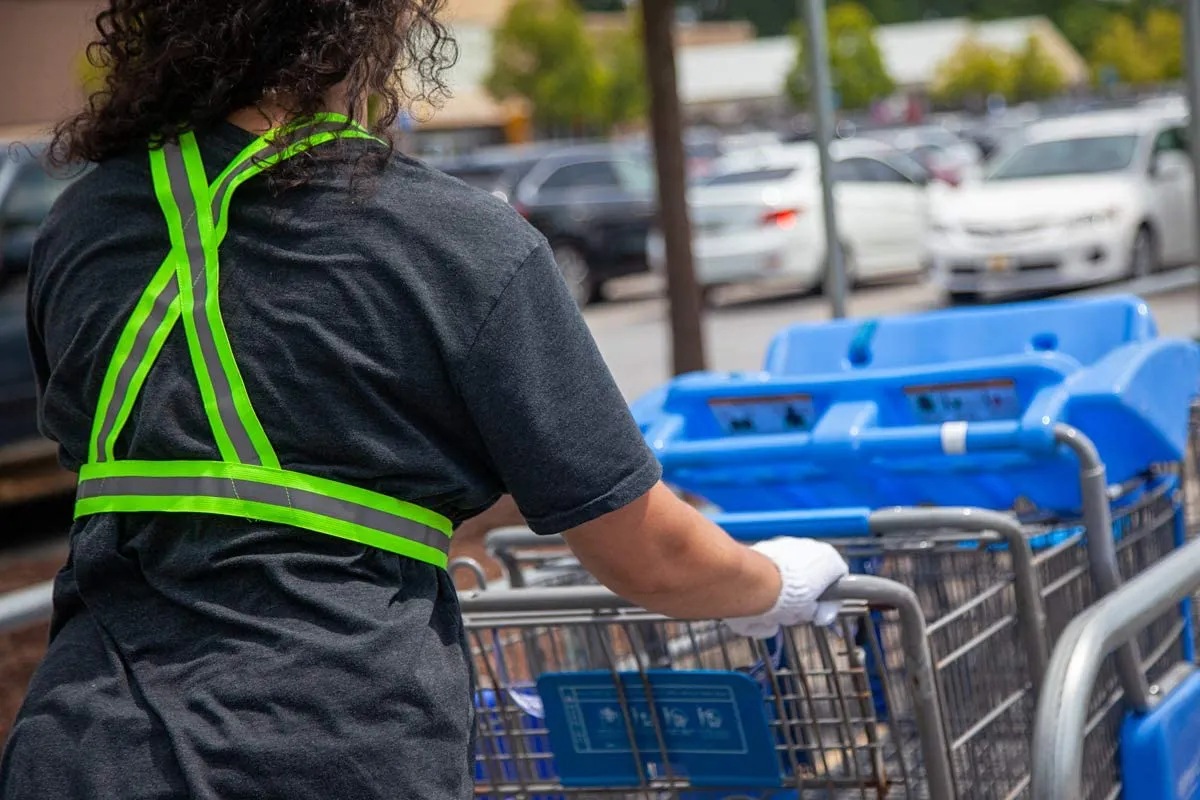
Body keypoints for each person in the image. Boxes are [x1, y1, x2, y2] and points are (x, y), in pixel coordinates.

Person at [0, 2, 849, 798]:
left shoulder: (82, 226)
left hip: (80, 747)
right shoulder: (457, 242)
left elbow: (184, 475)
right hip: (329, 747)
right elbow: (647, 553)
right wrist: (776, 582)